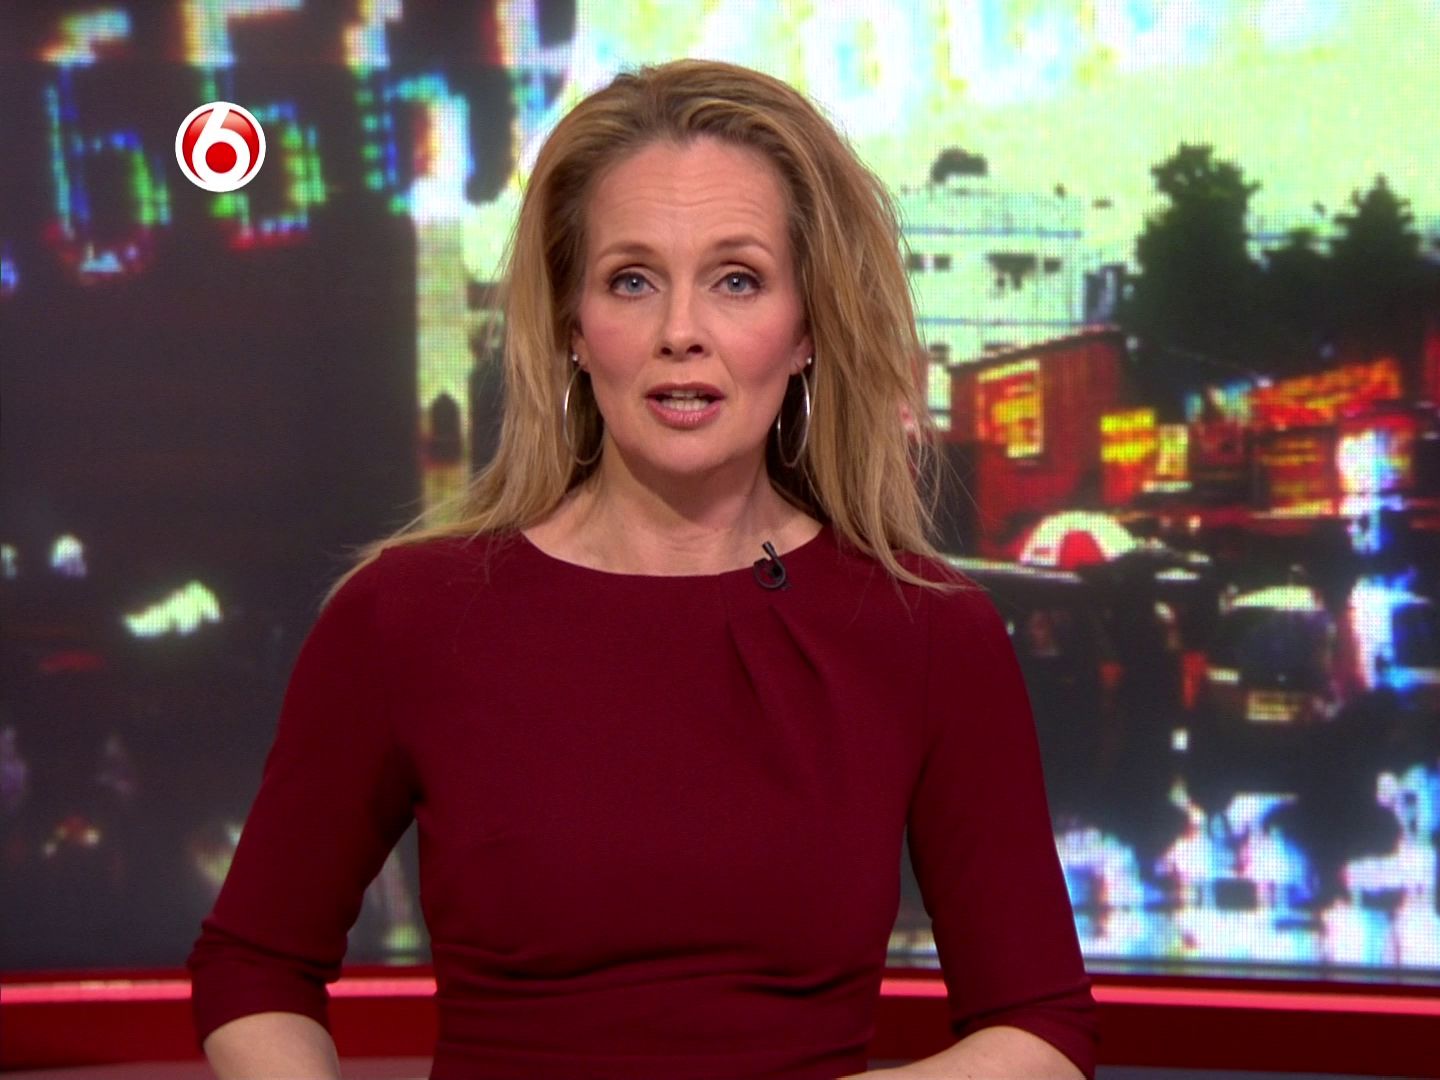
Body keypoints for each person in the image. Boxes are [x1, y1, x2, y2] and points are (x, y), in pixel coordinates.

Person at [186, 59, 1095, 1080]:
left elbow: (1041, 1026)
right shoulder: (408, 615)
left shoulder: (926, 631)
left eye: (737, 279)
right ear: (573, 326)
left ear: (807, 329)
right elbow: (254, 966)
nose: (680, 334)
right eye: (632, 280)